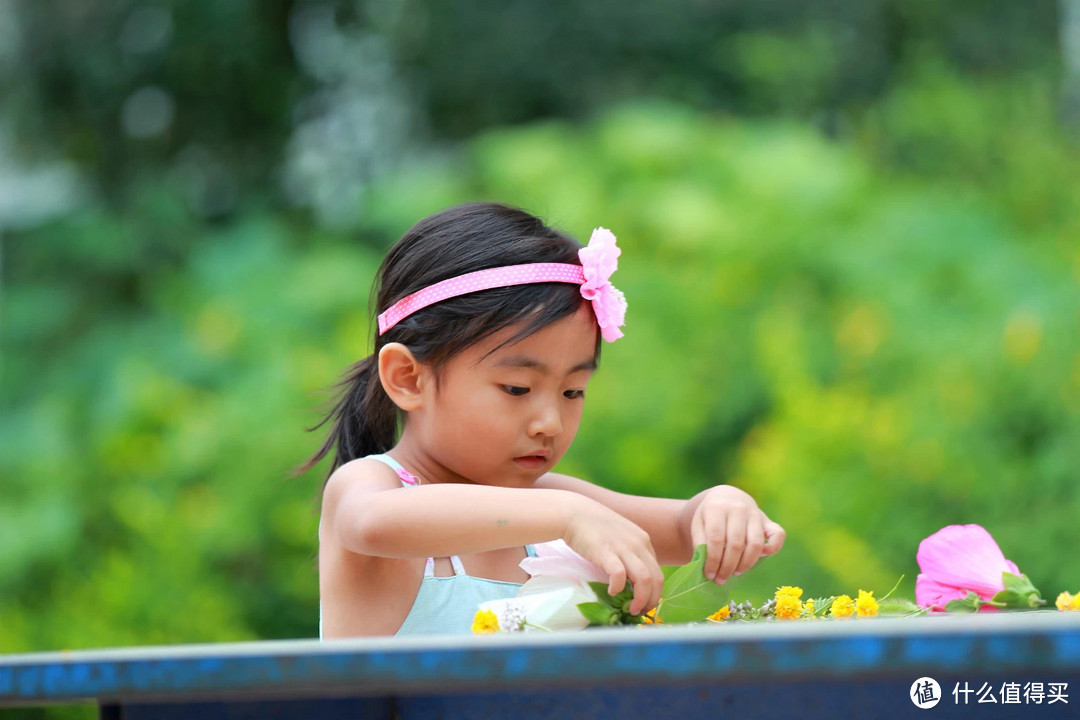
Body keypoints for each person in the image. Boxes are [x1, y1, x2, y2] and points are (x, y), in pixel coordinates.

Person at [305, 202, 785, 638]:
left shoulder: (556, 504)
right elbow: (369, 523)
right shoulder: (373, 486)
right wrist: (567, 516)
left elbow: (682, 529)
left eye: (573, 391)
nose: (550, 423)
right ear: (408, 378)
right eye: (517, 389)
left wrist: (720, 506)